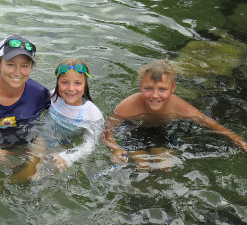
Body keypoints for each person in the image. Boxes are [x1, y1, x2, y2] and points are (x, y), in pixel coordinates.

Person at [102, 59, 247, 170]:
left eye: (162, 89)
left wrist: (236, 138)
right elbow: (107, 128)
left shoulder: (179, 106)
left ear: (173, 88)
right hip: (133, 129)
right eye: (148, 88)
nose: (155, 95)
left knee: (166, 166)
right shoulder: (129, 106)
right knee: (142, 166)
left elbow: (207, 122)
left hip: (163, 130)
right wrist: (115, 148)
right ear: (140, 86)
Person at [11, 58, 104, 183]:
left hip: (63, 144)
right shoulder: (54, 96)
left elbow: (90, 144)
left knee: (42, 175)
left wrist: (68, 157)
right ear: (57, 83)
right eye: (65, 82)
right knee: (29, 166)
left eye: (78, 83)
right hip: (42, 137)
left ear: (86, 84)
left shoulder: (92, 114)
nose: (71, 88)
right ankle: (11, 183)